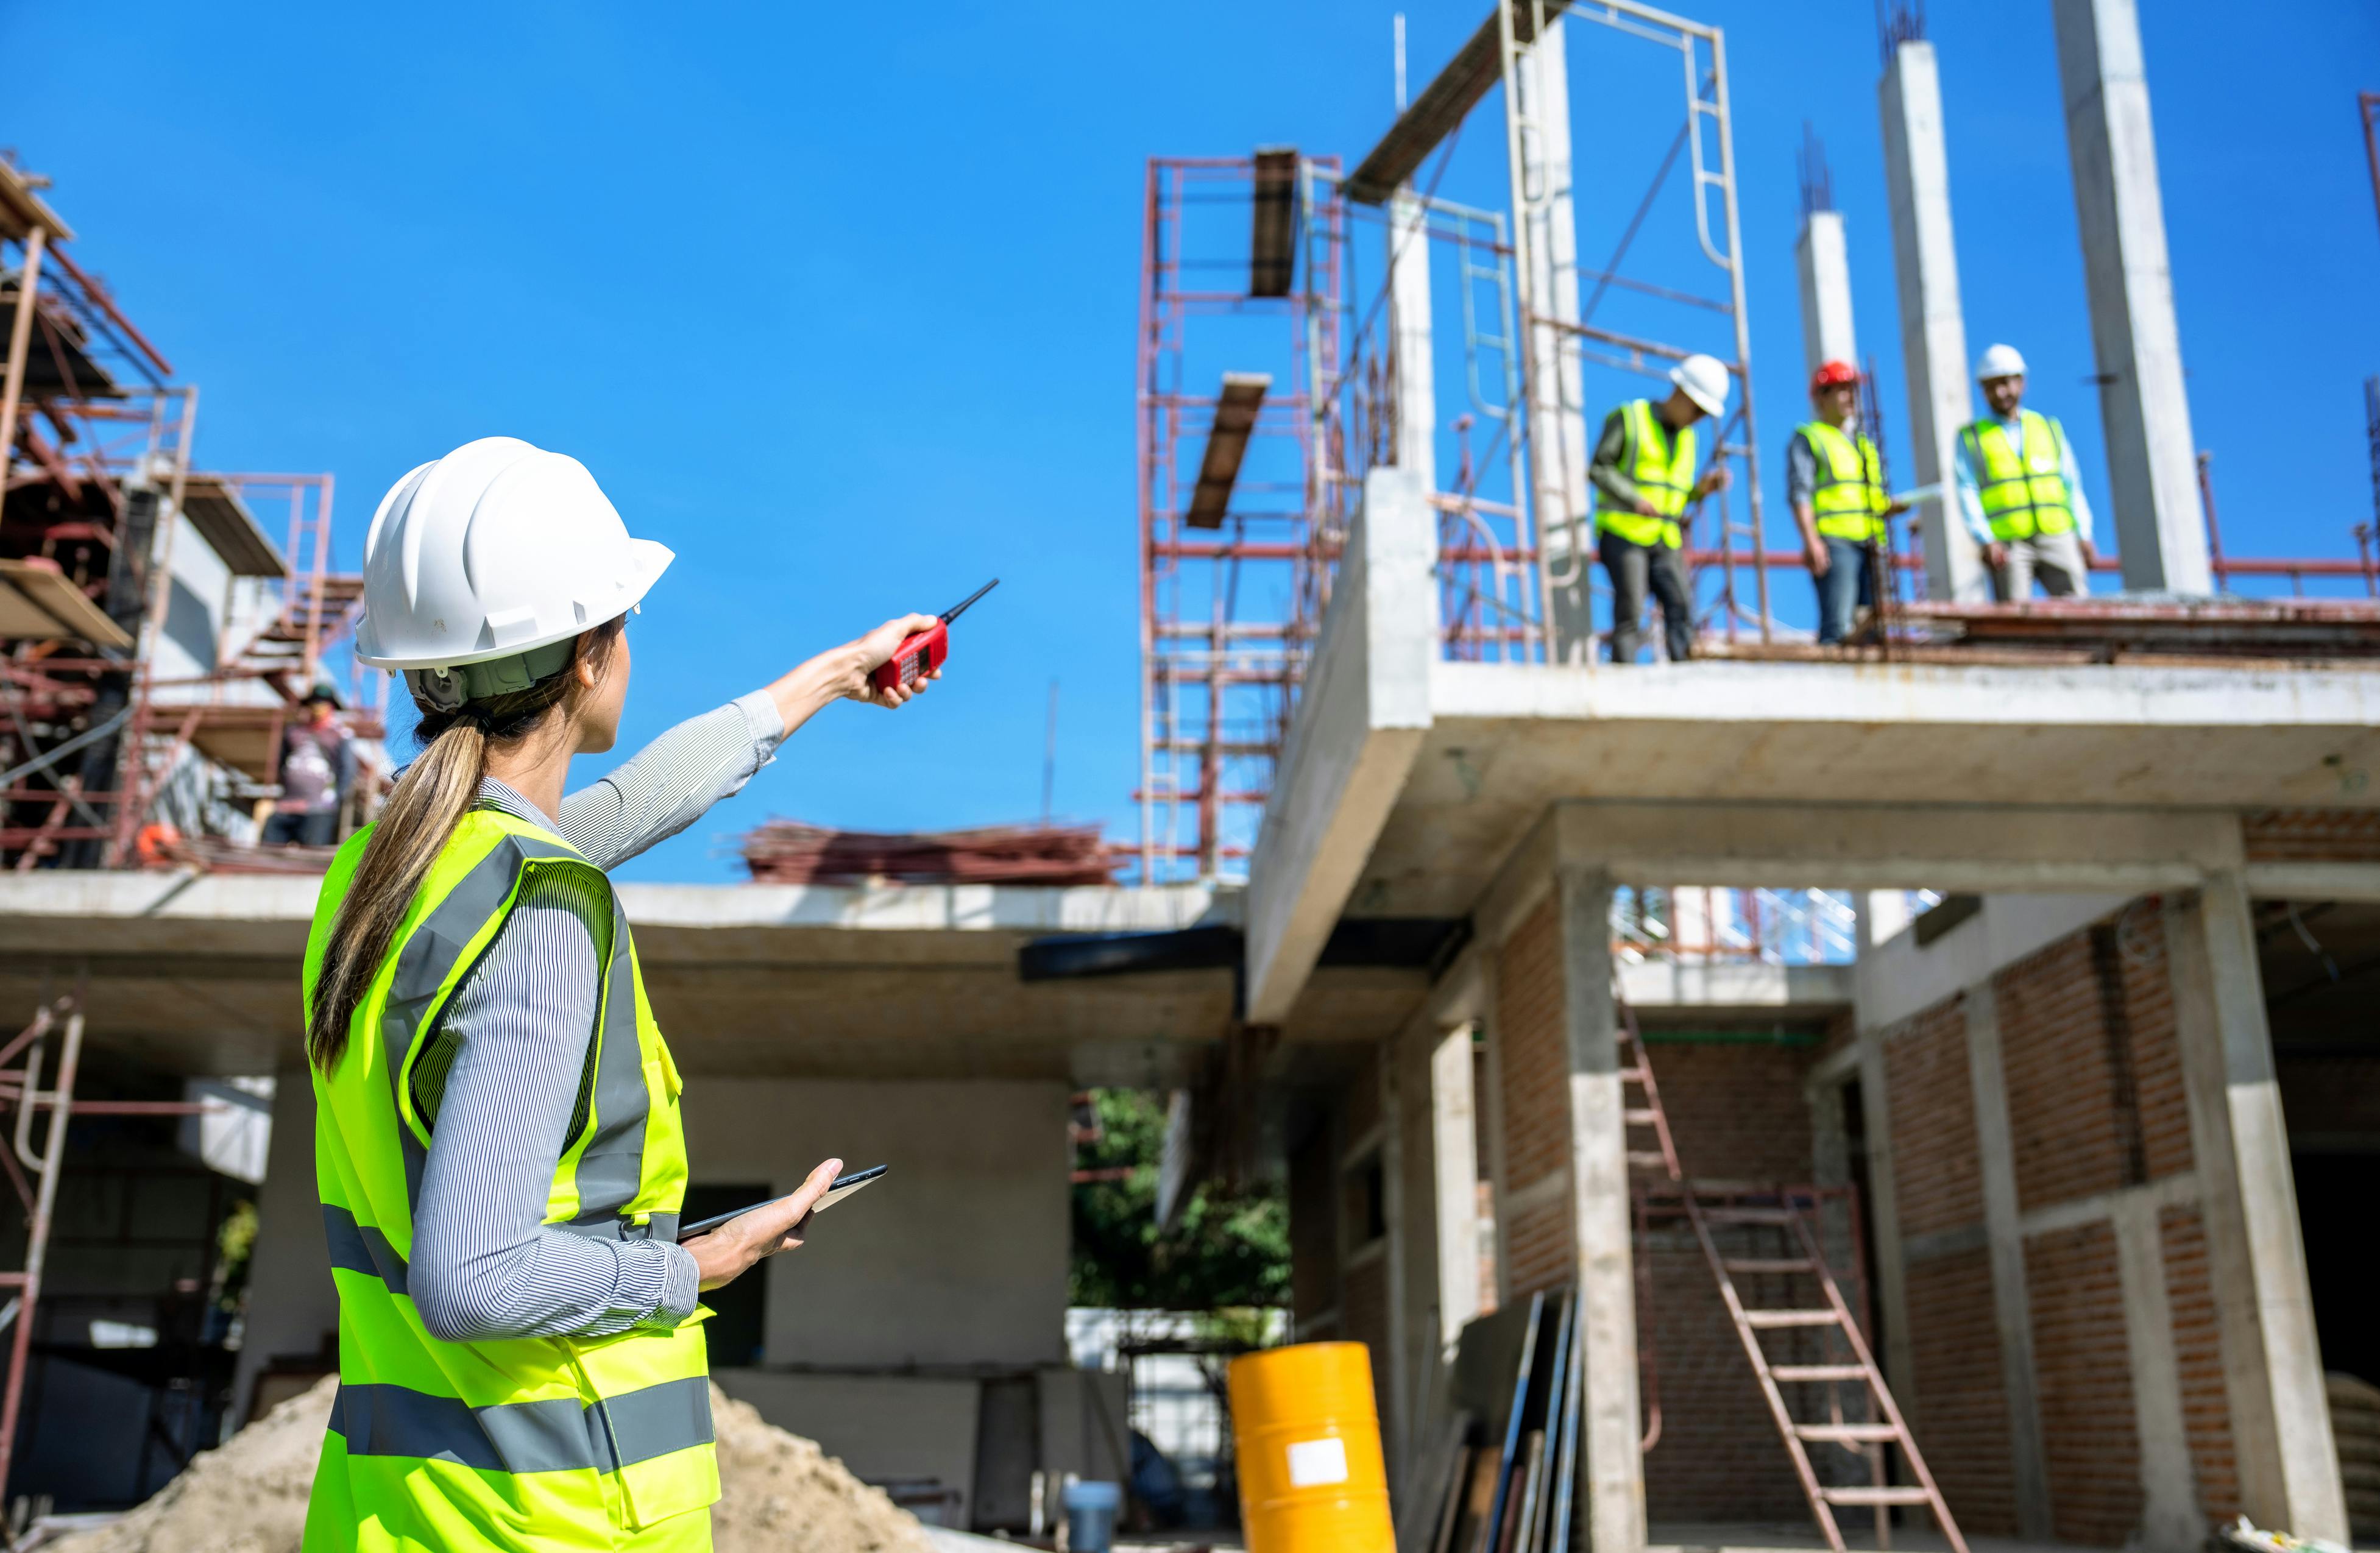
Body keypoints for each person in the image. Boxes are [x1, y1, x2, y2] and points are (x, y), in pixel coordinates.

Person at [299, 437, 944, 1552]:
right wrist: (699, 1260)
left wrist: (840, 673)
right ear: (592, 657)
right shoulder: (540, 913)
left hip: (396, 1511)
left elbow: (638, 797)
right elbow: (475, 1277)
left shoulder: (385, 877)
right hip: (548, 1515)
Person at [1591, 353, 1732, 663]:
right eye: (1697, 409)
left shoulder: (1688, 438)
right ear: (1681, 393)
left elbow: (1674, 496)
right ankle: (1623, 674)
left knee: (1680, 603)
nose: (1698, 418)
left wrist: (1700, 491)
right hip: (1623, 530)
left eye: (1704, 414)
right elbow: (1599, 468)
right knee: (1631, 608)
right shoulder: (1630, 418)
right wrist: (1634, 500)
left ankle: (1684, 674)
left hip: (1665, 537)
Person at [1955, 342, 2099, 600]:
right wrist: (1986, 539)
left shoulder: (2047, 428)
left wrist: (2084, 533)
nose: (2000, 393)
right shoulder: (1972, 437)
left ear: (2021, 383)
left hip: (2057, 534)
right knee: (2015, 618)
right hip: (2009, 542)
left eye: (2006, 383)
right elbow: (1967, 490)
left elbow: (2071, 485)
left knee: (2077, 608)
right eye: (1991, 386)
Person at [1788, 360, 1910, 645]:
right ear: (1821, 397)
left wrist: (1889, 506)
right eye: (1841, 390)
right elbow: (1800, 493)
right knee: (1838, 625)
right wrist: (1811, 541)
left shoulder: (1864, 443)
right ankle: (1834, 683)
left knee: (1874, 626)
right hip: (1836, 542)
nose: (1850, 397)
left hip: (1871, 541)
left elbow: (1868, 494)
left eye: (1852, 390)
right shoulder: (1811, 438)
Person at [263, 684, 355, 846]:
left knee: (310, 853)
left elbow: (347, 769)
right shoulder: (294, 732)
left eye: (322, 702)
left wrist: (336, 798)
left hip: (319, 808)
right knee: (270, 847)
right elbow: (281, 762)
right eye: (314, 702)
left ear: (331, 706)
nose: (317, 706)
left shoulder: (340, 734)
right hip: (287, 804)